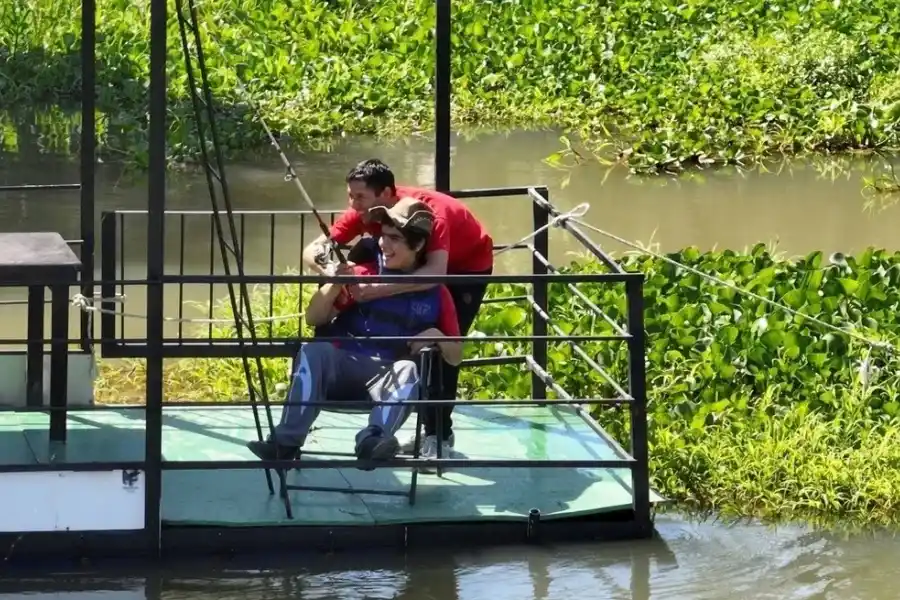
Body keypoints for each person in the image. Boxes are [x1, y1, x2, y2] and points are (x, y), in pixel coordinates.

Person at [249, 199, 462, 472]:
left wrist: (437, 335)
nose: (384, 245)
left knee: (409, 369)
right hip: (342, 368)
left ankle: (372, 442)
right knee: (313, 350)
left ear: (418, 245)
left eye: (395, 238)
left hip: (387, 378)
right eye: (383, 236)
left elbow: (456, 358)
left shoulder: (437, 293)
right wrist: (333, 286)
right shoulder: (362, 273)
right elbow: (314, 318)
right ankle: (284, 444)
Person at [301, 158, 494, 461]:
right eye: (350, 196)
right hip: (418, 265)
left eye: (359, 197)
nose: (353, 204)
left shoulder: (431, 215)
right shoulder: (368, 208)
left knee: (440, 349)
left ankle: (438, 434)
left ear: (386, 193)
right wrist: (332, 274)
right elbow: (314, 248)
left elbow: (436, 274)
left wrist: (374, 290)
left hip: (461, 269)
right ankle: (392, 409)